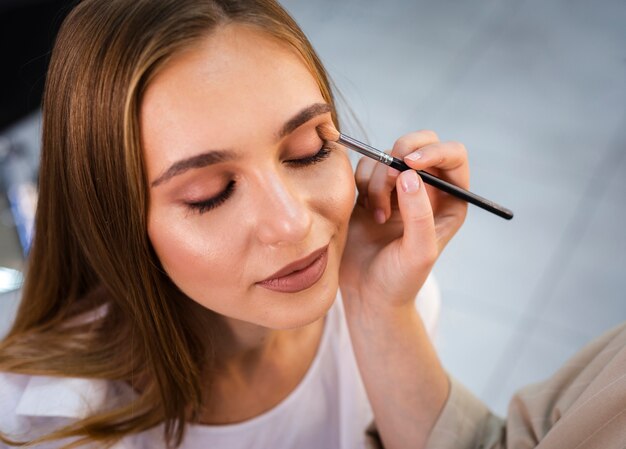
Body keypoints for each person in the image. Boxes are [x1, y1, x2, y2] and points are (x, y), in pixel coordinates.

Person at [1, 1, 623, 449]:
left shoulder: (390, 318)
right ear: (114, 224)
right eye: (209, 194)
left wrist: (383, 308)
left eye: (308, 151)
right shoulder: (50, 420)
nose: (292, 221)